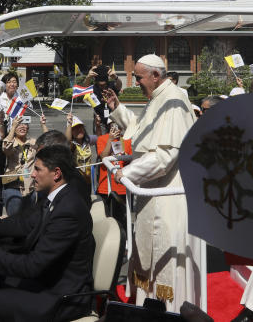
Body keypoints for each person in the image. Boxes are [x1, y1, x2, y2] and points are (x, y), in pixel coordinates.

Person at [0, 145, 94, 322]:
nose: (32, 174)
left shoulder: (67, 211)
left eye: (37, 169)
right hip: (46, 282)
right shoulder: (56, 198)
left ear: (56, 173)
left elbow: (33, 266)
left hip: (60, 297)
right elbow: (23, 224)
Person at [105, 53, 203, 312]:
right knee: (147, 256)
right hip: (152, 193)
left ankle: (169, 313)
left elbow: (165, 156)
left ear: (155, 76)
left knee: (165, 261)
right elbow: (141, 129)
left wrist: (126, 174)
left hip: (168, 201)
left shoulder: (173, 101)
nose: (135, 82)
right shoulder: (159, 97)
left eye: (138, 77)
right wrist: (117, 108)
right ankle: (148, 311)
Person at [95, 121, 131, 228]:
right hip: (106, 187)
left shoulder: (127, 140)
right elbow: (103, 157)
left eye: (118, 125)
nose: (116, 128)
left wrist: (126, 155)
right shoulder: (102, 139)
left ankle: (124, 241)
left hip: (123, 187)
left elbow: (131, 162)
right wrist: (110, 140)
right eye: (113, 125)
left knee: (123, 220)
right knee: (107, 220)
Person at [0, 115, 38, 216]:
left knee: (29, 219)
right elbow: (5, 148)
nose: (22, 127)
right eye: (18, 125)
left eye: (25, 124)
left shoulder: (33, 142)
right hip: (14, 187)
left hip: (30, 186)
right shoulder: (11, 142)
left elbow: (48, 144)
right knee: (14, 219)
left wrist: (43, 124)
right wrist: (12, 127)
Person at [65, 114, 95, 180]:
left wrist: (98, 126)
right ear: (71, 132)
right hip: (75, 181)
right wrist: (70, 123)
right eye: (75, 128)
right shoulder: (72, 145)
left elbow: (100, 138)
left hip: (88, 180)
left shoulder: (88, 140)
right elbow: (67, 142)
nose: (79, 130)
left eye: (80, 127)